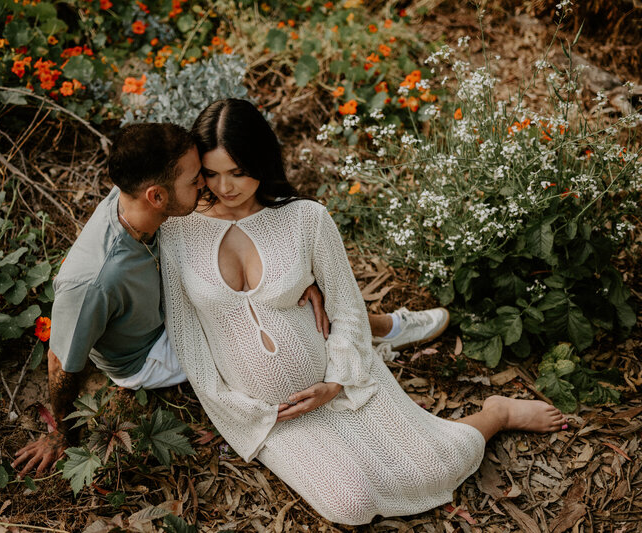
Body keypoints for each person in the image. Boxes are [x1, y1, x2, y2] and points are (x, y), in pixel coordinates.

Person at [158, 99, 567, 525]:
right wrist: (245, 413)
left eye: (238, 171)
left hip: (344, 386)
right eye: (211, 172)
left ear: (260, 159)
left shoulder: (305, 219)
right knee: (349, 507)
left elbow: (348, 309)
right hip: (271, 417)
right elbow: (189, 340)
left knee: (433, 467)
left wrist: (335, 381)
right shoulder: (178, 231)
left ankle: (495, 414)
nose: (225, 186)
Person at [11, 121, 455, 479]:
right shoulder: (92, 280)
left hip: (175, 303)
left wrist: (297, 274)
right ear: (158, 196)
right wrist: (58, 436)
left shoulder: (143, 195)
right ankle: (378, 330)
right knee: (263, 309)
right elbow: (60, 363)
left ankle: (379, 327)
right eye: (197, 178)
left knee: (283, 293)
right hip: (152, 352)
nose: (210, 186)